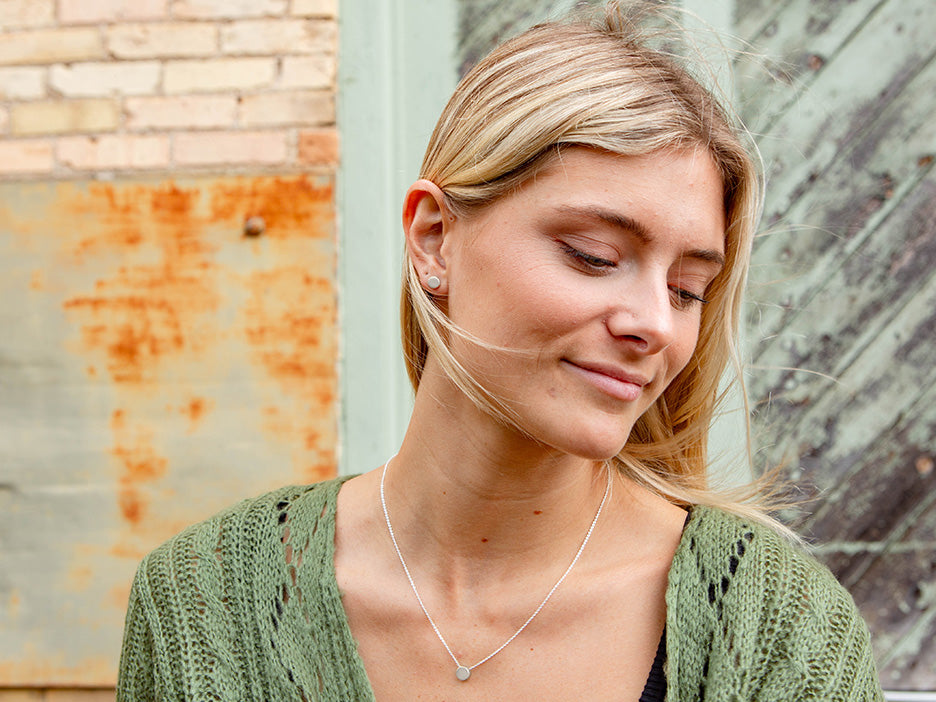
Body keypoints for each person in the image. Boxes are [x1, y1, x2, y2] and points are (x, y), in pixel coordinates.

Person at [116, 3, 884, 700]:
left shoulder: (782, 631)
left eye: (687, 289)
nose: (655, 322)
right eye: (592, 254)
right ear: (434, 241)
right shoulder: (204, 606)